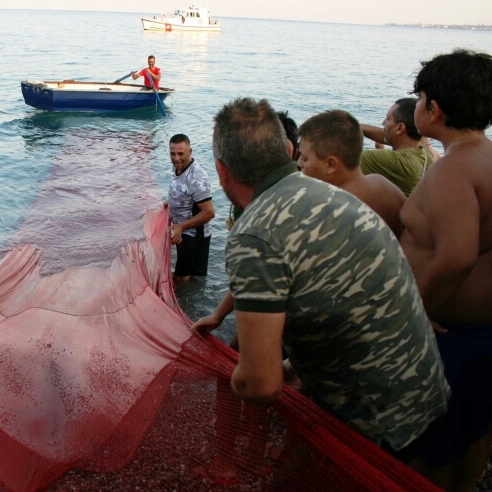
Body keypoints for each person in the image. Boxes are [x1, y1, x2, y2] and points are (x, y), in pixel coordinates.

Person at [192, 98, 449, 467]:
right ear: (288, 150)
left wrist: (221, 375)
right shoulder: (336, 195)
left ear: (220, 171)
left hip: (378, 429)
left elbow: (260, 385)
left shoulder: (254, 234)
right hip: (429, 395)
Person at [399, 49, 492, 492]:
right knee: (471, 440)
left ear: (432, 108)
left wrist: (415, 313)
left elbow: (456, 256)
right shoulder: (485, 158)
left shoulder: (452, 170)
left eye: (419, 98)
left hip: (452, 338)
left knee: (428, 457)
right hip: (481, 338)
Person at [297, 109, 406, 237]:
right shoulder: (383, 185)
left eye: (305, 158)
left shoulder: (330, 207)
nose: (299, 163)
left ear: (331, 165)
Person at [360, 97, 436, 196]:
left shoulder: (397, 161)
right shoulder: (425, 151)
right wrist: (356, 127)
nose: (383, 123)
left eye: (388, 119)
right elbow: (386, 135)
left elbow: (338, 159)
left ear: (400, 128)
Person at [166, 134, 215, 283]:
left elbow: (209, 212)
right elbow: (182, 193)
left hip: (194, 235)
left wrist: (181, 226)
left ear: (190, 152)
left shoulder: (197, 178)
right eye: (172, 154)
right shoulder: (178, 167)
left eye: (181, 153)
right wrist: (168, 202)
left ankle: (182, 304)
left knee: (182, 278)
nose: (176, 158)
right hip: (183, 232)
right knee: (187, 276)